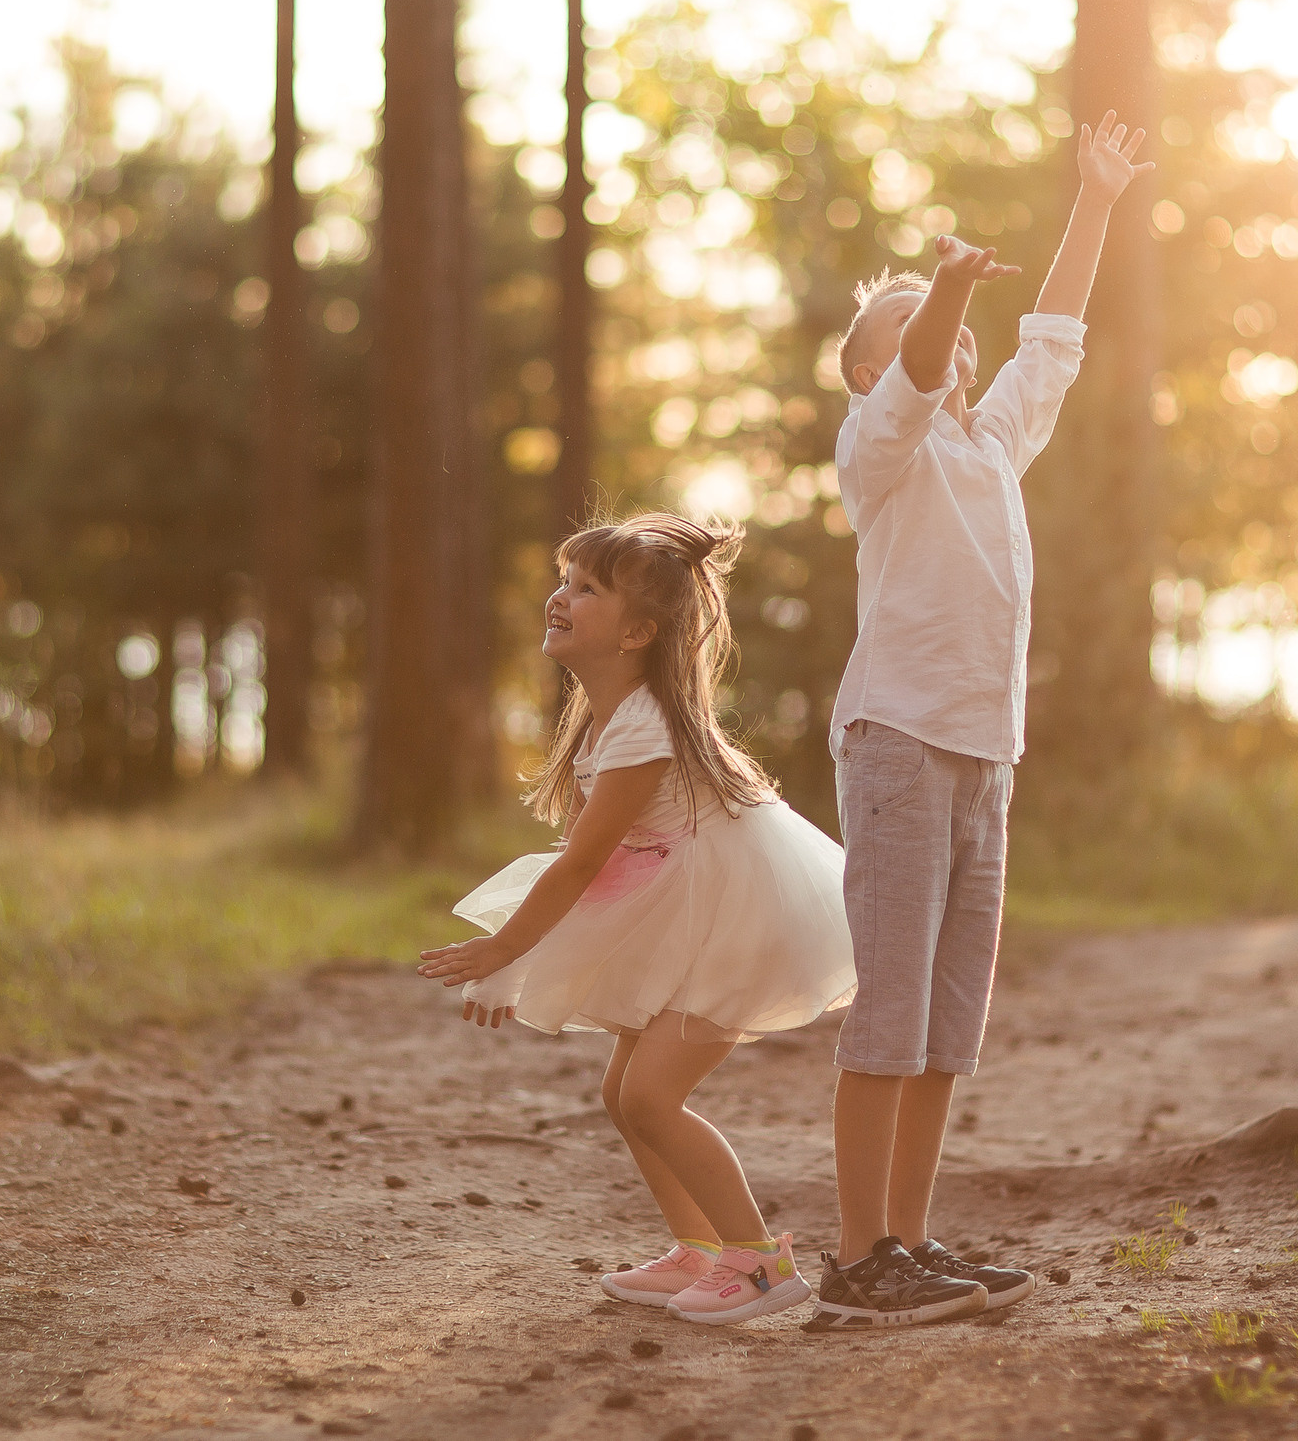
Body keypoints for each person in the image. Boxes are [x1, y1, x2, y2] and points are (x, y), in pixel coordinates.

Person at [808, 114, 1153, 1330]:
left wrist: (1096, 202)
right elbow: (916, 373)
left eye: (943, 322)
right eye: (908, 326)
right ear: (869, 371)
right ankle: (856, 1262)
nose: (942, 341)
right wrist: (944, 281)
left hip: (983, 756)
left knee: (947, 1025)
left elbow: (1049, 341)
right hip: (898, 745)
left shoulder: (991, 447)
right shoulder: (878, 450)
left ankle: (906, 1238)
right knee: (890, 1009)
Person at [419, 512, 856, 1327]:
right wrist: (517, 961)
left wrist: (506, 947)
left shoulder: (648, 722)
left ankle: (761, 1263)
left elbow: (580, 866)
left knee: (653, 1093)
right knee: (624, 1092)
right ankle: (698, 1248)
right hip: (683, 907)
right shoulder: (608, 718)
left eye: (588, 588)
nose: (561, 596)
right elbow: (602, 867)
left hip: (737, 918)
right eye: (564, 579)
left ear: (639, 632)